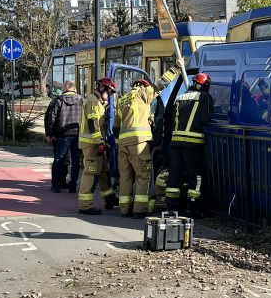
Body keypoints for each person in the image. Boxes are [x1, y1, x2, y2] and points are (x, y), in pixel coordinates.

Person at [113, 59, 182, 218]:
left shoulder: (122, 100)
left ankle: (124, 209)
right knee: (143, 176)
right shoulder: (142, 94)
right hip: (138, 143)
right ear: (143, 86)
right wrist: (176, 68)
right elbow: (161, 84)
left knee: (126, 177)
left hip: (123, 146)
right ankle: (139, 210)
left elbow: (116, 127)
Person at [165, 73, 213, 216]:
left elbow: (173, 119)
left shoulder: (181, 97)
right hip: (193, 144)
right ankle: (192, 209)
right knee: (195, 177)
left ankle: (172, 208)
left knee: (175, 175)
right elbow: (206, 119)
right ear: (205, 85)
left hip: (176, 143)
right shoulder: (204, 97)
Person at [76, 77, 119, 215]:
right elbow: (92, 123)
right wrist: (99, 142)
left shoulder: (99, 103)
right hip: (92, 144)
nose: (110, 95)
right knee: (91, 172)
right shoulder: (93, 102)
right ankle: (85, 206)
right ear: (102, 89)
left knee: (103, 171)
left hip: (96, 143)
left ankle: (110, 198)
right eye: (109, 92)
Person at [44, 80, 83, 193]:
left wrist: (50, 134)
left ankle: (56, 185)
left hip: (62, 135)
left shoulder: (58, 100)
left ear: (65, 87)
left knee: (58, 159)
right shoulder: (81, 100)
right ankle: (72, 185)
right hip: (78, 134)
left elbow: (52, 117)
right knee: (75, 161)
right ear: (74, 89)